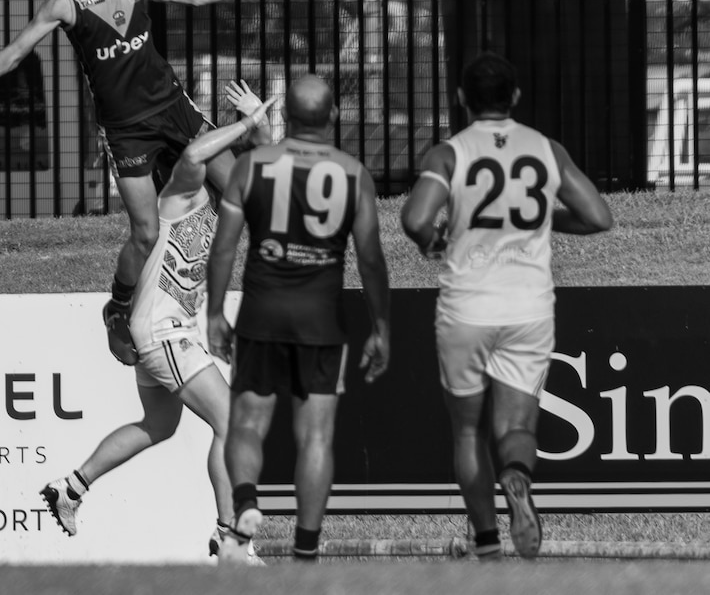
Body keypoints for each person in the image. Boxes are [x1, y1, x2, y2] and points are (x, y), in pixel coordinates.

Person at [0, 0, 304, 364]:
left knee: (239, 191)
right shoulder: (65, 1)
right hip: (127, 131)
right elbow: (15, 52)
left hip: (174, 110)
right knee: (146, 233)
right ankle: (118, 306)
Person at [40, 80, 276, 563]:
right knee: (232, 421)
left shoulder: (217, 203)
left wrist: (262, 128)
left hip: (171, 330)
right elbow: (193, 156)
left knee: (159, 425)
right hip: (163, 331)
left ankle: (72, 486)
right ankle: (230, 534)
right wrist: (244, 125)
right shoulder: (178, 195)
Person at [400, 52, 613, 561]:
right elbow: (599, 217)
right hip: (528, 308)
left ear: (461, 99)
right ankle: (517, 477)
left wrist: (436, 238)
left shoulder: (449, 154)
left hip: (468, 308)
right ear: (515, 97)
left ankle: (489, 544)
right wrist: (538, 222)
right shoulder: (546, 149)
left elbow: (414, 219)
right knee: (515, 427)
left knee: (468, 430)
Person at [206, 73, 391, 564]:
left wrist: (214, 313)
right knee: (316, 438)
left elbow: (223, 248)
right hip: (321, 318)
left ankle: (245, 504)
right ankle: (306, 549)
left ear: (291, 114)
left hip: (263, 310)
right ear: (333, 116)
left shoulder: (254, 165)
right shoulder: (353, 173)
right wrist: (381, 326)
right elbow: (371, 260)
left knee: (245, 425)